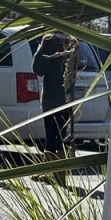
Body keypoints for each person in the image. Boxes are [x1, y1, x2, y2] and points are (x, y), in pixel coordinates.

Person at [32, 29, 78, 179]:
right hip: (66, 97)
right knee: (61, 136)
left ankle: (51, 172)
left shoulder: (49, 41)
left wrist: (41, 48)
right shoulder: (71, 42)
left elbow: (39, 69)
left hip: (52, 98)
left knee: (51, 136)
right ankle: (59, 174)